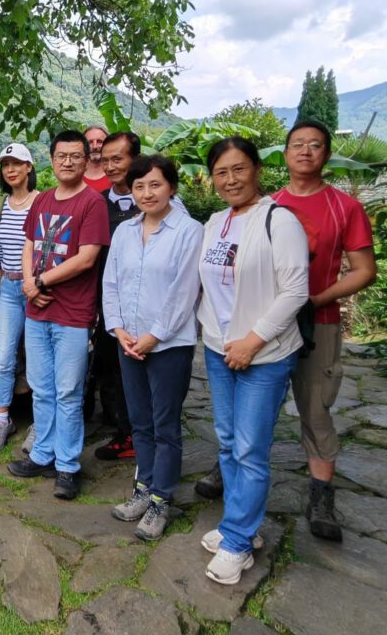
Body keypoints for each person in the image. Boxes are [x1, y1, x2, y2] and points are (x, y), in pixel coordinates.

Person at [197, 136, 309, 585]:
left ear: (257, 170)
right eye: (221, 172)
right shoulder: (215, 222)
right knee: (226, 440)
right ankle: (236, 526)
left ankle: (239, 543)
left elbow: (295, 291)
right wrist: (216, 336)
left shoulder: (279, 221)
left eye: (239, 169)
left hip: (265, 355)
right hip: (218, 347)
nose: (230, 179)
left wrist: (252, 341)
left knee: (249, 447)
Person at [272, 121, 377, 542]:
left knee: (316, 410)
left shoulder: (345, 207)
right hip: (270, 324)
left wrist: (317, 299)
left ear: (327, 155)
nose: (306, 152)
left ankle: (321, 495)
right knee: (253, 401)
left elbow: (364, 271)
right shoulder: (269, 205)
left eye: (315, 145)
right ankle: (229, 469)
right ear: (285, 154)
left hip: (320, 322)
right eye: (297, 145)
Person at [104, 156, 204, 541]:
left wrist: (154, 336)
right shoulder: (125, 232)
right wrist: (118, 328)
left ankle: (162, 499)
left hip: (169, 346)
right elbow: (110, 282)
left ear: (172, 188)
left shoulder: (189, 231)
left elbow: (185, 291)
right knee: (139, 421)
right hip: (127, 341)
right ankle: (143, 489)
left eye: (155, 185)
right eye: (140, 186)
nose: (147, 193)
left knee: (166, 426)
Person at [7, 130, 110, 501]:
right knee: (42, 387)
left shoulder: (92, 203)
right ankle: (43, 453)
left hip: (72, 313)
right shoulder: (43, 200)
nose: (67, 161)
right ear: (51, 160)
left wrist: (40, 282)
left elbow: (87, 257)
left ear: (85, 161)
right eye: (61, 155)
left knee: (68, 391)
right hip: (37, 311)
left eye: (75, 155)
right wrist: (30, 283)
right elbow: (30, 243)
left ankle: (67, 465)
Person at [90, 132, 141, 461]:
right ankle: (122, 430)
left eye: (117, 159)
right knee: (108, 368)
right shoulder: (97, 203)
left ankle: (140, 432)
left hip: (143, 304)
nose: (109, 166)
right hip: (105, 303)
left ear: (135, 159)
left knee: (141, 369)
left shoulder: (154, 200)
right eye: (105, 160)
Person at [0, 143, 39, 452]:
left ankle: (39, 422)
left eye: (17, 164)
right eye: (6, 165)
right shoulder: (0, 205)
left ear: (29, 167)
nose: (11, 170)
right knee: (4, 357)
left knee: (37, 360)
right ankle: (3, 419)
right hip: (8, 288)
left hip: (36, 290)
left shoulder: (43, 202)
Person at [82, 126, 111, 192]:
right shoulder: (75, 177)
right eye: (90, 142)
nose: (95, 147)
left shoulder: (117, 175)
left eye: (99, 142)